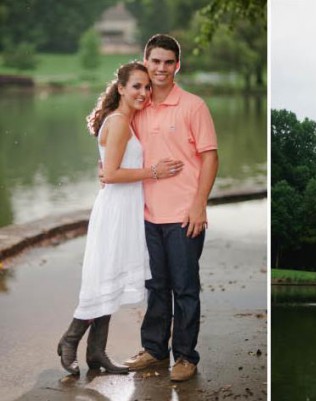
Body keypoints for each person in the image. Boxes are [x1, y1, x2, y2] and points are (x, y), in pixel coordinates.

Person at [57, 62, 183, 375]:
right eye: (136, 86)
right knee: (102, 279)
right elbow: (111, 174)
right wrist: (154, 172)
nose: (143, 92)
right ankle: (69, 340)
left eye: (146, 87)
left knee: (110, 280)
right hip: (115, 212)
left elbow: (109, 169)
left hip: (125, 210)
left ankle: (97, 352)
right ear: (121, 88)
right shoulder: (118, 122)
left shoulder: (126, 120)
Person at [123, 33, 219, 383]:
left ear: (177, 65)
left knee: (185, 289)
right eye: (155, 61)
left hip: (183, 217)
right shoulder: (137, 105)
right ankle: (153, 349)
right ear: (145, 62)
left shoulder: (193, 106)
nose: (161, 68)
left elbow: (210, 158)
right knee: (156, 288)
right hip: (146, 215)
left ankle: (185, 357)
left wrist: (198, 205)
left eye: (168, 62)